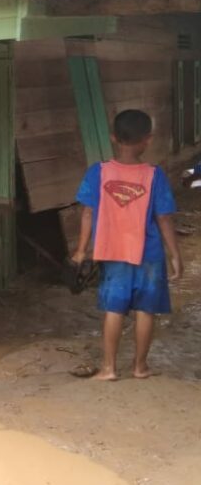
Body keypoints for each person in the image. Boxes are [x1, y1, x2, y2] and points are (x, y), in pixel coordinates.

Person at [71, 109, 182, 381]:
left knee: (114, 308)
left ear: (113, 138)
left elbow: (87, 213)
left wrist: (81, 250)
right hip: (149, 254)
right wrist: (175, 254)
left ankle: (109, 369)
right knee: (146, 309)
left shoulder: (98, 172)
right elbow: (164, 218)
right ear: (148, 139)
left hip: (112, 252)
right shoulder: (155, 176)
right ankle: (139, 367)